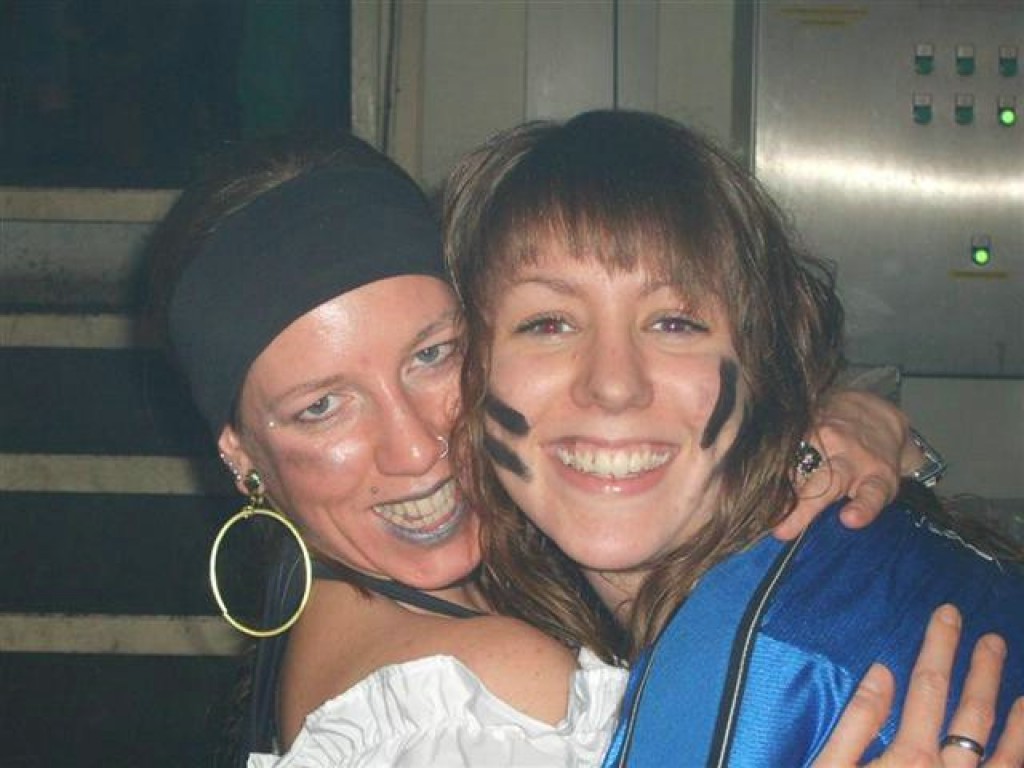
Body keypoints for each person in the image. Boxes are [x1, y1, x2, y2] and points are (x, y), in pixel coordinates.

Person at [145, 130, 994, 767]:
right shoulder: (478, 701)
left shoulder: (514, 582)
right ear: (239, 451)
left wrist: (851, 417)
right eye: (321, 407)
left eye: (433, 355)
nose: (416, 449)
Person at [443, 108, 1024, 766]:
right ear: (463, 370)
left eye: (674, 323)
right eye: (549, 324)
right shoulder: (807, 568)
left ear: (762, 363)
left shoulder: (762, 672)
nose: (613, 384)